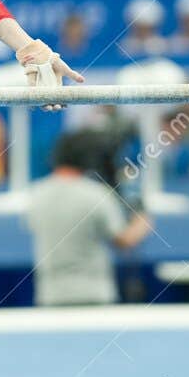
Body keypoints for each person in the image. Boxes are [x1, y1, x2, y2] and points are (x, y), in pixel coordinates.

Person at [26, 130, 151, 306]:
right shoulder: (96, 195)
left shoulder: (36, 194)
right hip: (94, 294)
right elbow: (124, 241)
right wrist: (143, 218)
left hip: (50, 294)